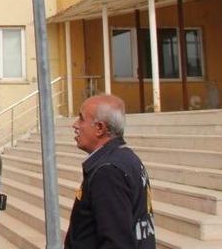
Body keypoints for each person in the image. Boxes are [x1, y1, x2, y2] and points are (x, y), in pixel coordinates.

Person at [66, 95, 156, 248]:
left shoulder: (108, 171)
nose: (75, 125)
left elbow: (116, 242)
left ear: (100, 128)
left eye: (81, 119)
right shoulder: (125, 158)